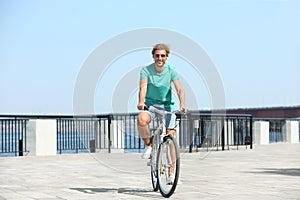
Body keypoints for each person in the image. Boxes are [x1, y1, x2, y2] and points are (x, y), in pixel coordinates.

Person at [137, 43, 187, 160]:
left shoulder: (171, 70)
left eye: (163, 56)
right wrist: (141, 102)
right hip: (151, 106)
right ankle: (149, 146)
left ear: (166, 57)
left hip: (167, 107)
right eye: (157, 55)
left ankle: (172, 174)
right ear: (153, 56)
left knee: (170, 139)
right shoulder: (146, 70)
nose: (160, 58)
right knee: (141, 119)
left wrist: (182, 105)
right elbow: (143, 88)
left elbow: (179, 89)